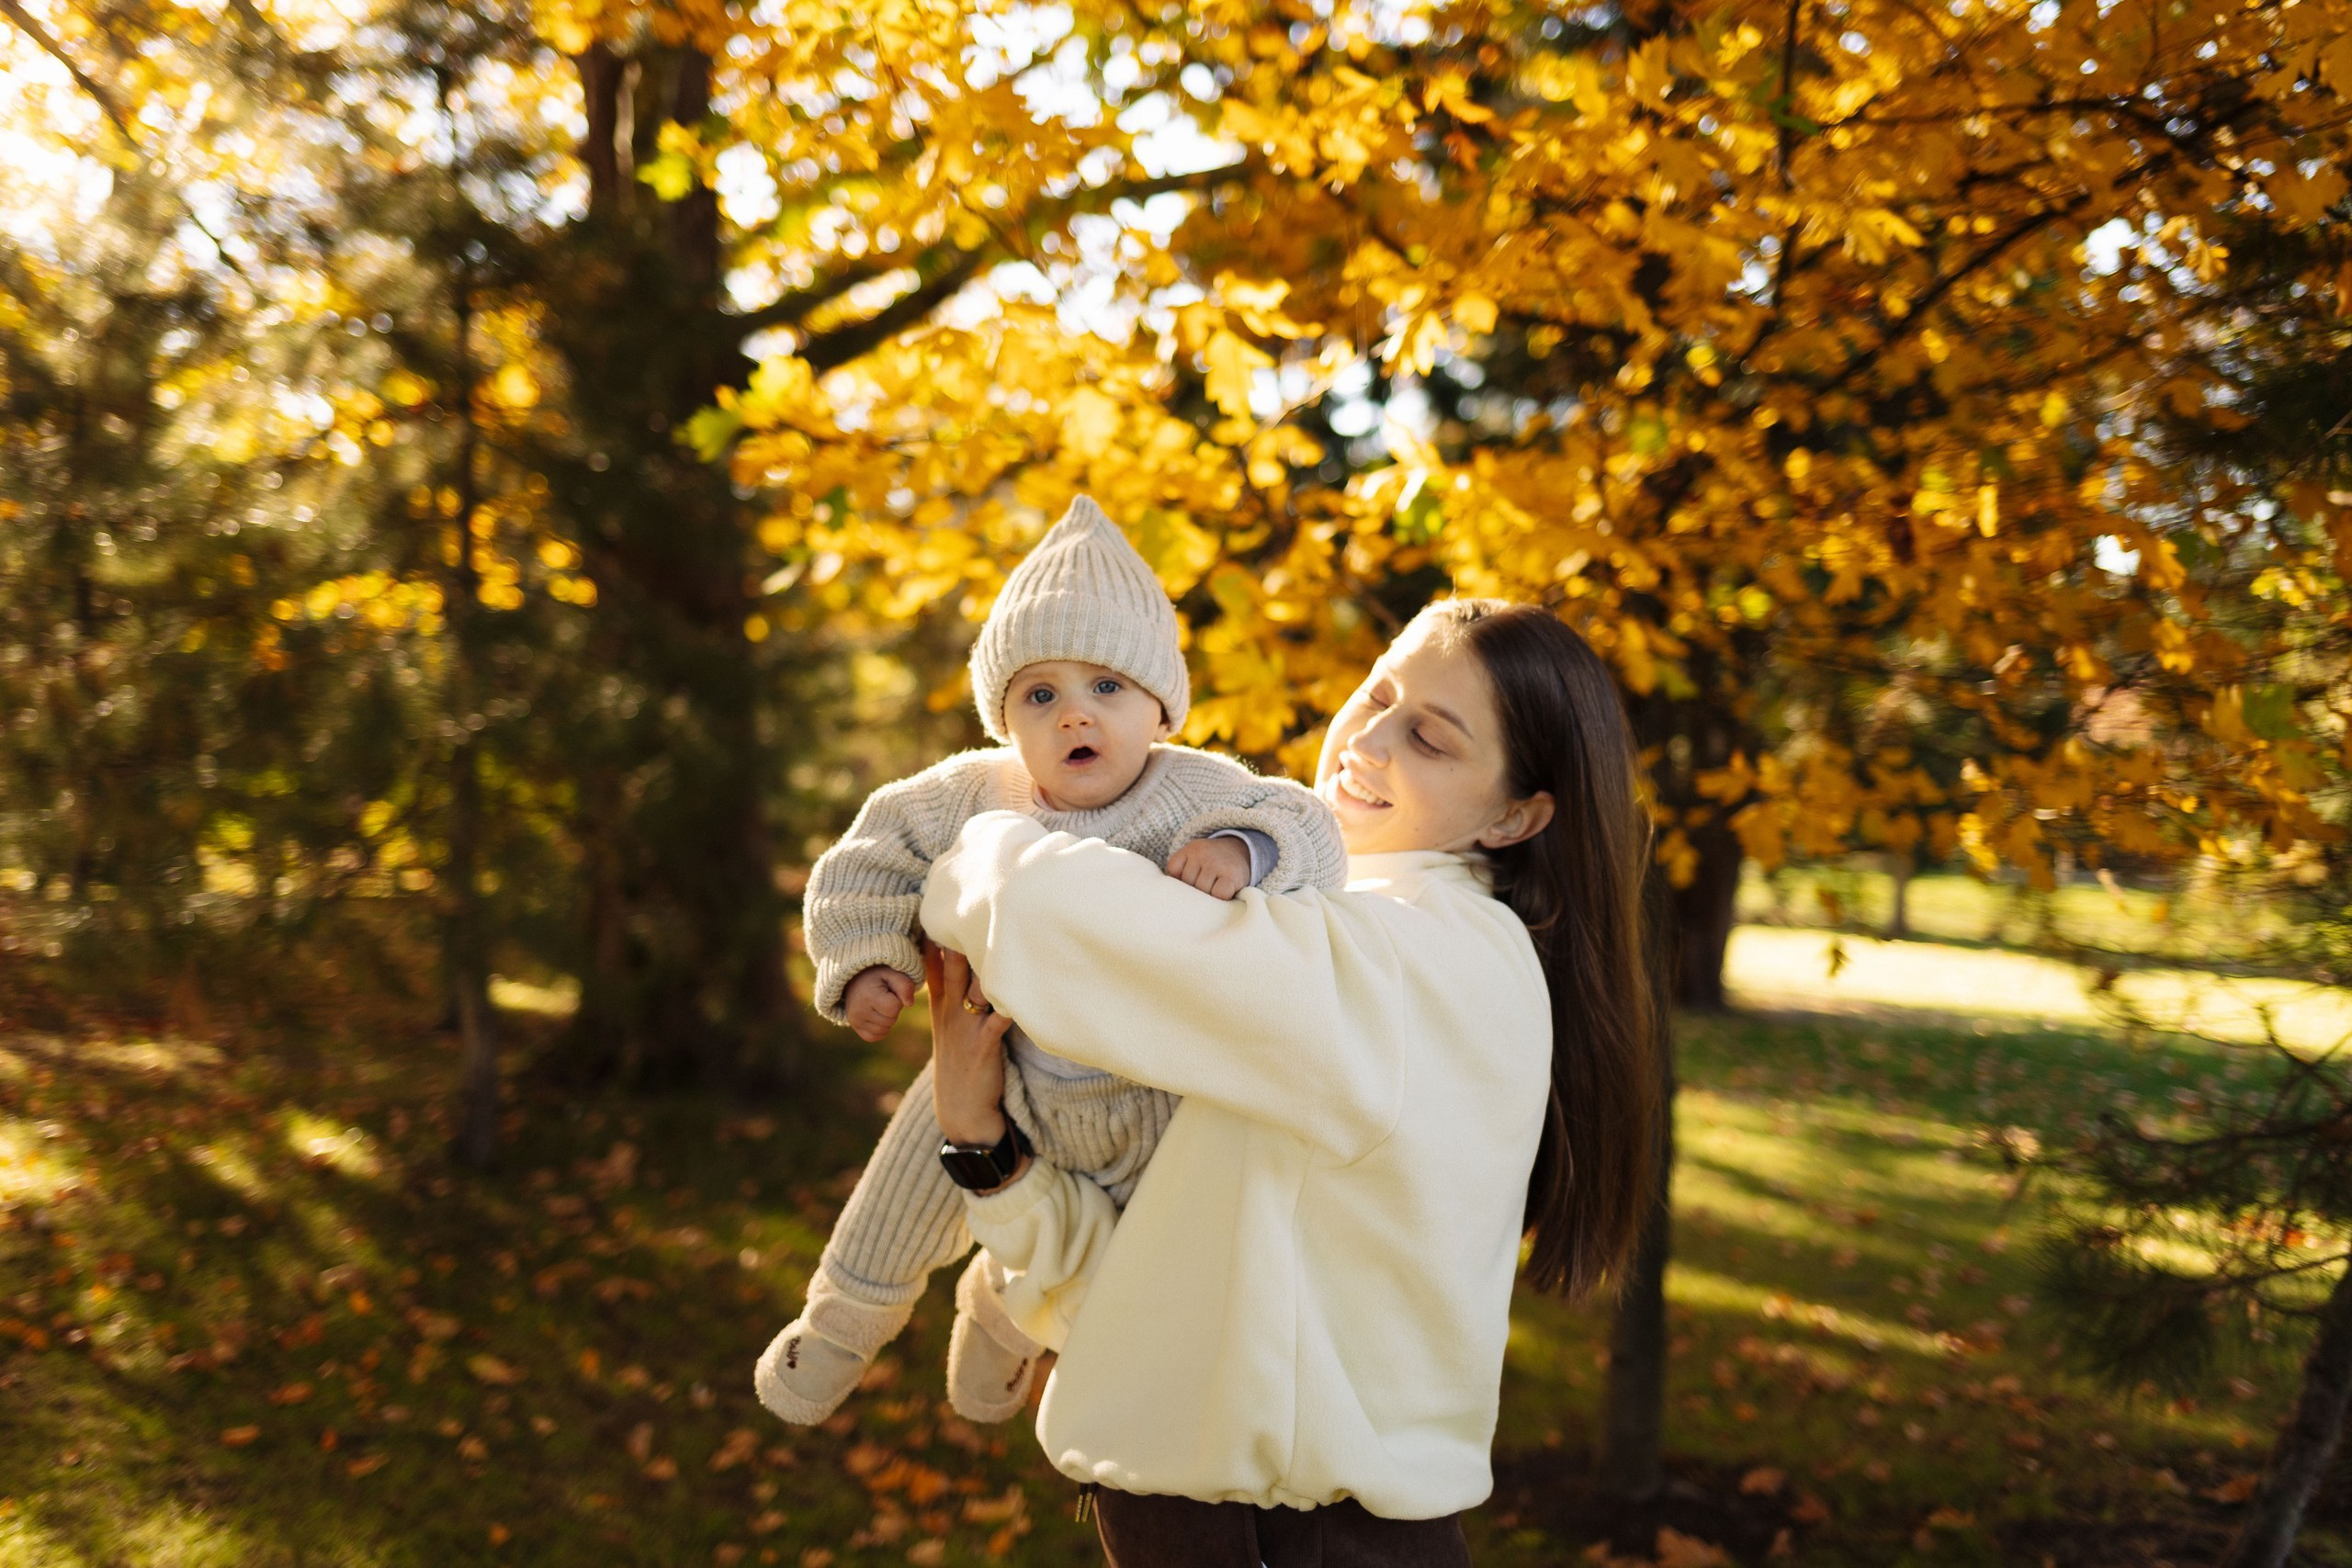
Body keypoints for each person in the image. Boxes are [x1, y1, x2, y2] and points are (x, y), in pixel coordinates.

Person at [917, 599, 1663, 1566]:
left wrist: (979, 824)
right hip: (1231, 1525)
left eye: (1431, 739)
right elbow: (1157, 1269)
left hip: (1288, 1536)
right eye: (1379, 694)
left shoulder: (1421, 958)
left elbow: (1035, 908)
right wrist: (984, 1149)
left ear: (1514, 815)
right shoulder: (1354, 935)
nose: (1369, 741)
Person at [753, 495, 1347, 1427]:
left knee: (1134, 1257)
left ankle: (1004, 1308)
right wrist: (868, 961)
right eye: (1041, 695)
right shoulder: (973, 793)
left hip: (1155, 1092)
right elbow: (867, 857)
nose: (1075, 714)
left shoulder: (1195, 788)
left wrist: (1243, 849)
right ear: (1003, 718)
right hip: (1005, 1058)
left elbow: (1311, 823)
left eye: (1107, 687)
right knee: (905, 1182)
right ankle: (841, 1325)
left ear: (1160, 707)